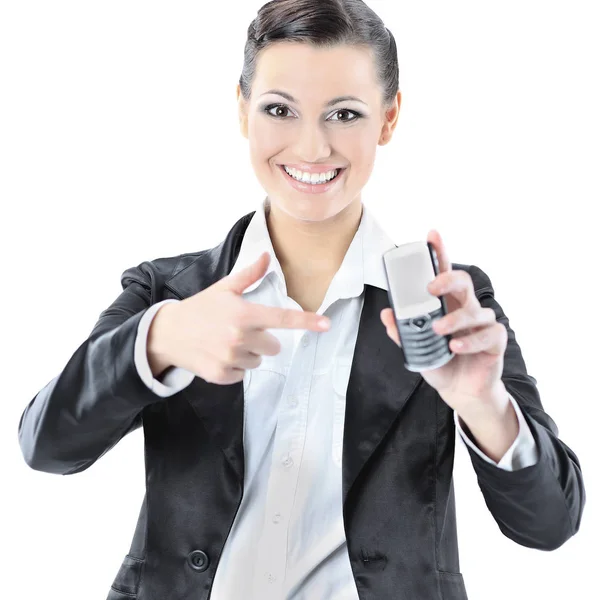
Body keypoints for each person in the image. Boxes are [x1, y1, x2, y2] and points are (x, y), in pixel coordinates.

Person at [17, 1, 586, 599]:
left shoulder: (447, 305)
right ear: (242, 110)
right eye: (279, 109)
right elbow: (47, 446)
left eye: (344, 113)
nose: (312, 148)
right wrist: (158, 341)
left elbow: (548, 525)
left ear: (389, 119)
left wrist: (484, 404)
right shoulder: (170, 293)